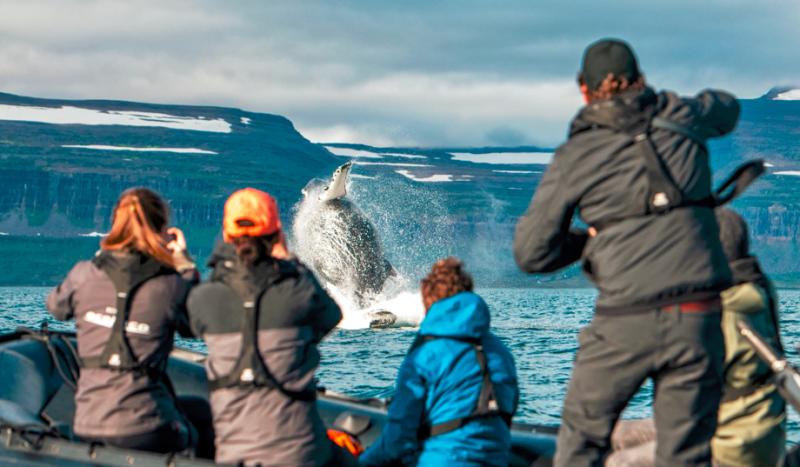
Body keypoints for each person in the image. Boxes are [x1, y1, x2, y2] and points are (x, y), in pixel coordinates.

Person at [513, 38, 741, 466]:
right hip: (698, 317)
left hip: (624, 318)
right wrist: (681, 103)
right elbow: (726, 107)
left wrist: (593, 240)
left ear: (584, 89)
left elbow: (531, 253)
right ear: (640, 78)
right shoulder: (684, 115)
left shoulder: (577, 154)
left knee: (580, 444)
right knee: (687, 454)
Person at [605, 208, 786, 467]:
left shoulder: (719, 310)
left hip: (728, 447)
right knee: (620, 433)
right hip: (759, 436)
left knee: (620, 461)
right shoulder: (759, 292)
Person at [46, 187, 211, 456]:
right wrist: (184, 264)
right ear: (161, 230)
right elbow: (199, 324)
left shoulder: (84, 275)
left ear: (115, 226)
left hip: (88, 423)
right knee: (202, 415)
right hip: (149, 426)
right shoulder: (171, 285)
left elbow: (56, 308)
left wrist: (103, 255)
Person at [187, 187, 344, 466]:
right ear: (277, 235)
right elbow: (331, 316)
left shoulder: (204, 298)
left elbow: (187, 322)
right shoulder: (299, 291)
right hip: (300, 454)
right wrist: (291, 262)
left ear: (226, 234)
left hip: (233, 455)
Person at [360, 257, 519, 466]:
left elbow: (397, 438)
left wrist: (360, 461)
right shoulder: (500, 351)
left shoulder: (426, 353)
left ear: (428, 299)